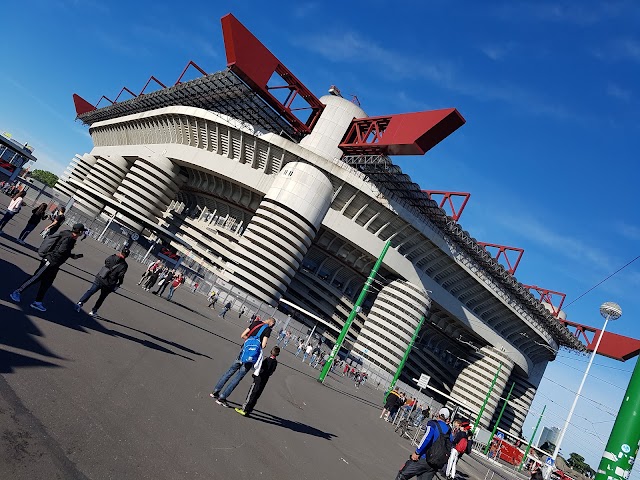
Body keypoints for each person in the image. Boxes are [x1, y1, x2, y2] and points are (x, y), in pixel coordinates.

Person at [10, 223, 85, 311]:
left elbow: (63, 250)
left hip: (55, 265)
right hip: (50, 261)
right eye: (82, 231)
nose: (83, 233)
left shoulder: (67, 234)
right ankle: (17, 292)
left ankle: (37, 302)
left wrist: (71, 256)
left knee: (47, 283)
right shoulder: (69, 238)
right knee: (36, 277)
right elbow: (61, 250)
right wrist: (68, 255)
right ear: (79, 231)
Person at [209, 317, 276, 407]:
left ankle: (215, 391)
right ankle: (222, 397)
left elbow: (243, 335)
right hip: (250, 357)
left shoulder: (256, 323)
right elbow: (263, 345)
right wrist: (259, 344)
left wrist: (250, 341)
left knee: (230, 371)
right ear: (271, 324)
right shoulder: (267, 329)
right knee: (238, 377)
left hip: (243, 351)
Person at [395, 407, 453, 480]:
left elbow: (426, 438)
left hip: (423, 457)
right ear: (447, 418)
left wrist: (417, 452)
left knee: (403, 474)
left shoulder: (433, 424)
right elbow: (449, 446)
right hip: (435, 463)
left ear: (439, 414)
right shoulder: (449, 431)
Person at [75, 247, 129, 316]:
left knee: (91, 291)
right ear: (127, 256)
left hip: (101, 277)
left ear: (121, 252)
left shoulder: (112, 257)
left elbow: (106, 261)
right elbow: (120, 276)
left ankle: (80, 303)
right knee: (101, 298)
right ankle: (93, 311)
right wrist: (119, 283)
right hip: (109, 283)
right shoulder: (124, 265)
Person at [235, 346, 280, 417]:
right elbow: (271, 372)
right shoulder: (275, 362)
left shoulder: (267, 360)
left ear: (271, 352)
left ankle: (245, 409)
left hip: (259, 379)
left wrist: (255, 375)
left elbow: (260, 369)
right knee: (257, 395)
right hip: (265, 380)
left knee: (252, 393)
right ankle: (249, 409)